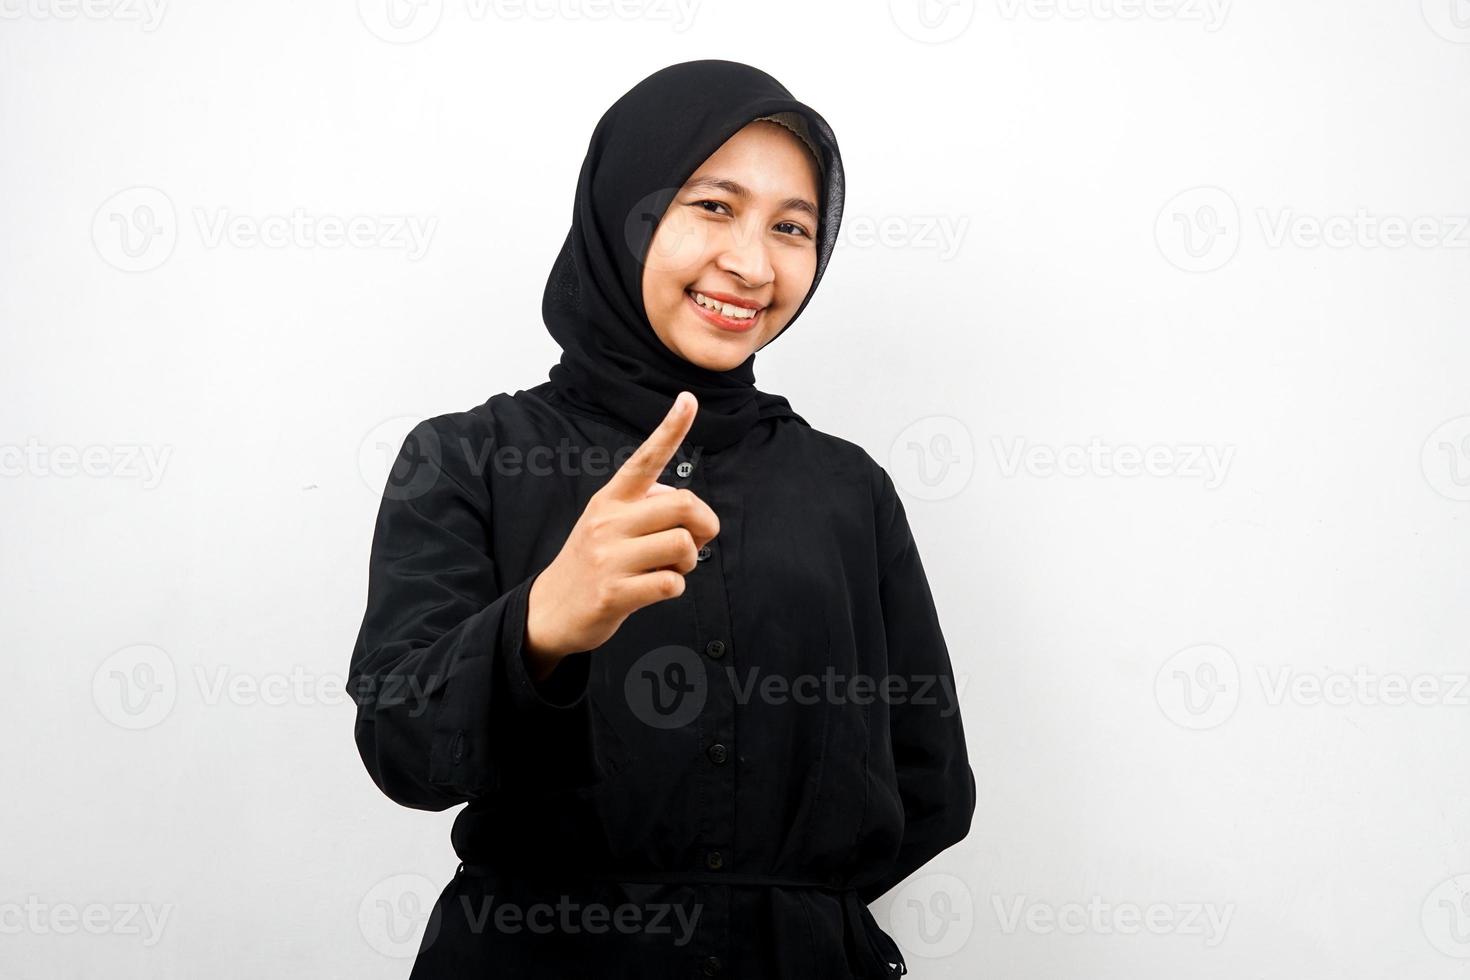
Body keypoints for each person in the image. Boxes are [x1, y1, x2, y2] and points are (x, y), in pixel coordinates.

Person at [348, 59, 975, 979]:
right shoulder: (465, 458)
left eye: (791, 227)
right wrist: (541, 624)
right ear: (621, 212)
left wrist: (790, 912)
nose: (753, 265)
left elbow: (929, 780)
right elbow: (401, 749)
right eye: (713, 207)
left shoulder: (848, 488)